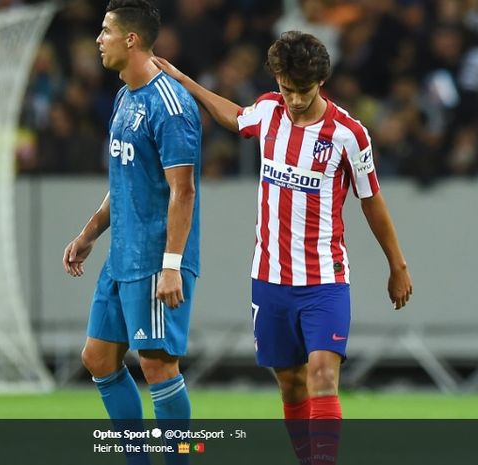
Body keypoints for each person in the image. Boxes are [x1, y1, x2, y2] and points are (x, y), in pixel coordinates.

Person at [152, 30, 413, 464]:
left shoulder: (349, 134)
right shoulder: (269, 112)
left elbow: (372, 201)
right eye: (286, 89)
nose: (292, 99)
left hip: (325, 280)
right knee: (290, 382)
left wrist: (397, 264)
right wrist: (184, 80)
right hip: (270, 277)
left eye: (302, 91)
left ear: (321, 82)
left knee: (324, 376)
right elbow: (235, 117)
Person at [62, 1, 201, 463]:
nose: (97, 39)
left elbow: (184, 191)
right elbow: (122, 180)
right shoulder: (125, 97)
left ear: (131, 40)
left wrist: (172, 266)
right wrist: (88, 234)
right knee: (98, 358)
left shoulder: (172, 106)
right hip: (121, 255)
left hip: (156, 259)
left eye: (105, 31)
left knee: (158, 365)